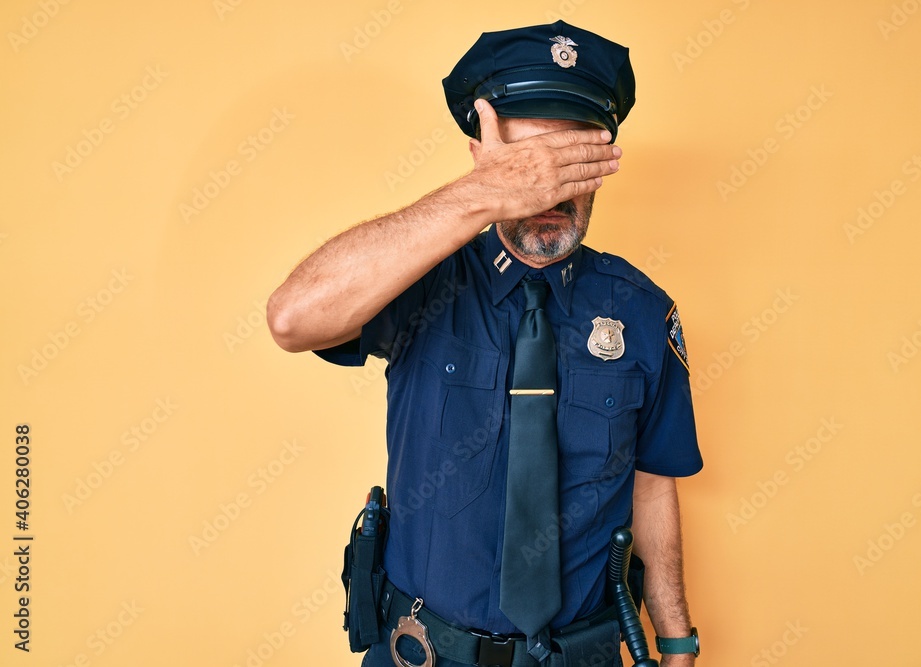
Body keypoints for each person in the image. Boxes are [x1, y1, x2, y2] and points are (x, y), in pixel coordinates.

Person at [268, 20, 703, 667]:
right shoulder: (417, 279)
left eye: (567, 161)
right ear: (482, 157)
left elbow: (650, 482)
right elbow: (292, 318)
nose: (548, 189)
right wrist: (480, 196)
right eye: (526, 165)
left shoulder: (640, 311)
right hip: (423, 652)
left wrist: (676, 642)